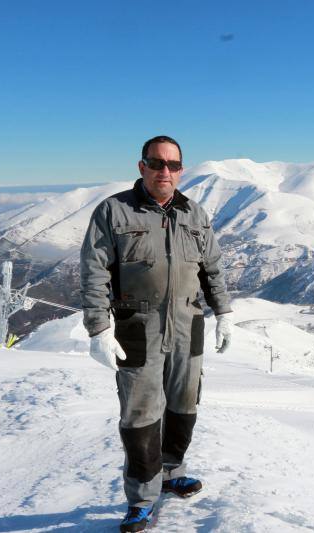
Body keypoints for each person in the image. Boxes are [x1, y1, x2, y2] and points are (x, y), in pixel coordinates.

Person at [80, 135, 235, 532]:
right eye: (157, 163)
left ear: (181, 170)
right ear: (142, 166)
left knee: (184, 405)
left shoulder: (195, 214)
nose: (165, 171)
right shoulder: (114, 212)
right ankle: (142, 498)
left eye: (173, 165)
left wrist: (225, 312)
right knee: (140, 416)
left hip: (189, 323)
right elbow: (94, 272)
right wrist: (99, 327)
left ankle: (172, 471)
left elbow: (212, 269)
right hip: (137, 326)